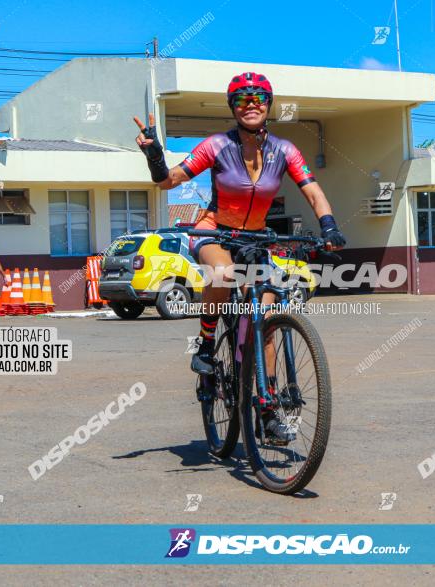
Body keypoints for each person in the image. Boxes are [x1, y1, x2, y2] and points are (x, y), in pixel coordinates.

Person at [134, 71, 346, 442]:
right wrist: (154, 154)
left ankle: (266, 411)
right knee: (224, 273)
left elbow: (314, 192)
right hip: (214, 229)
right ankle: (205, 344)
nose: (251, 105)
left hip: (255, 237)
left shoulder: (285, 150)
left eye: (259, 99)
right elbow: (168, 181)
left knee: (262, 318)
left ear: (268, 106)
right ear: (233, 107)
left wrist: (329, 226)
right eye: (243, 100)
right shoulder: (216, 146)